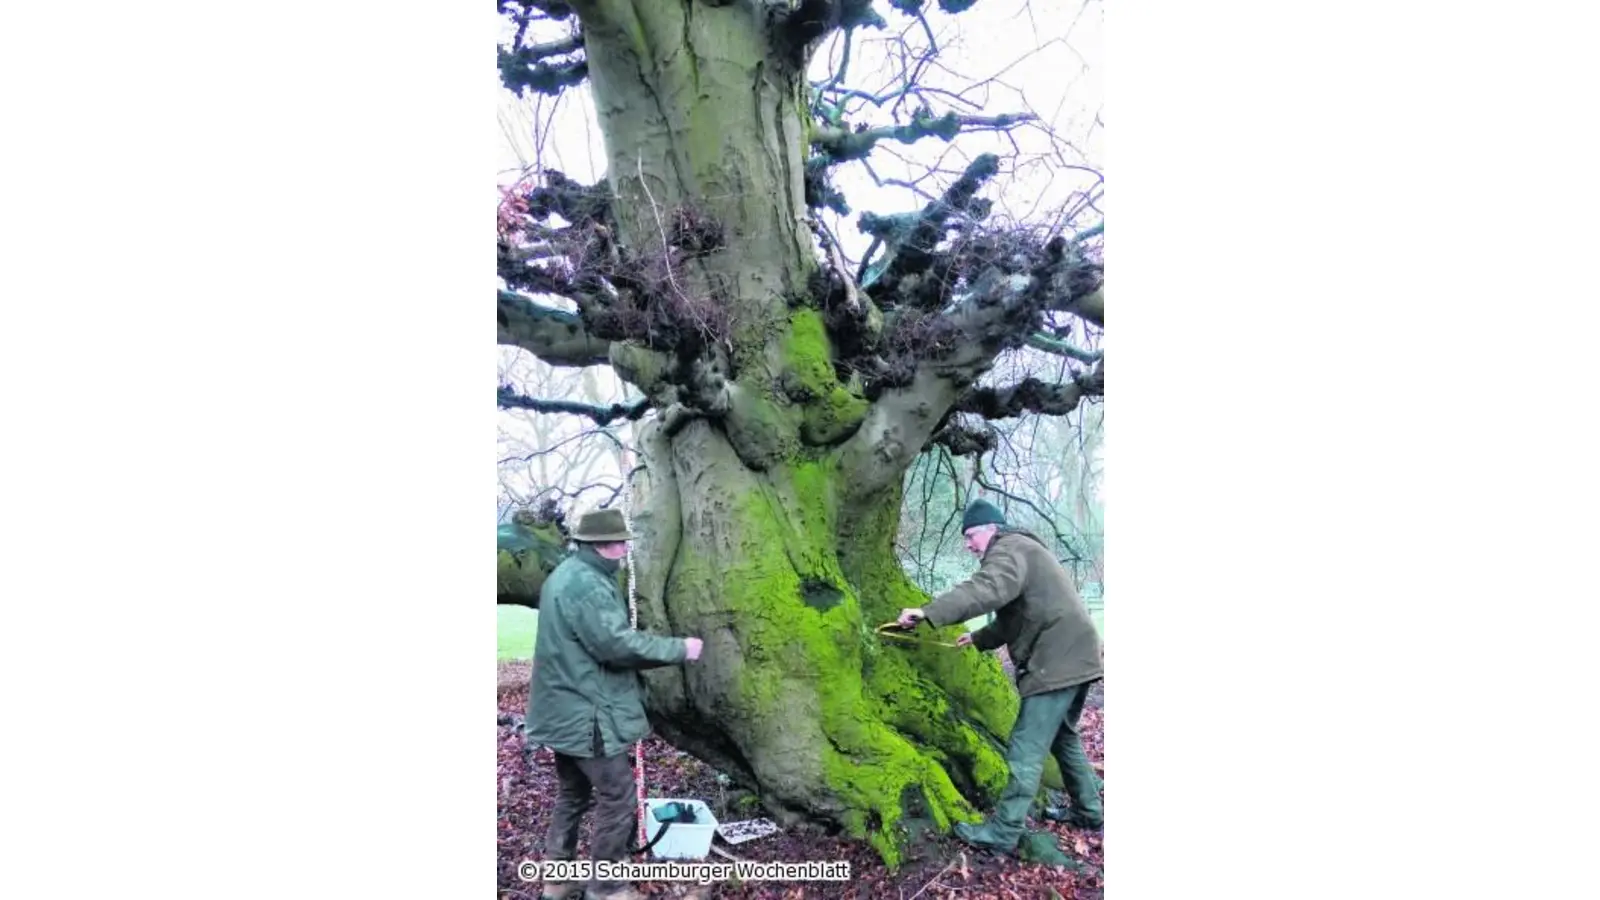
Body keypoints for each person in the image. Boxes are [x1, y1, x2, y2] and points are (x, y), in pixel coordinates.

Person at [897, 498, 1104, 853]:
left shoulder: (1008, 548)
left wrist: (928, 612)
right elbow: (1014, 616)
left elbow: (987, 590)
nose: (968, 544)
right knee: (1063, 738)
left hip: (1056, 659)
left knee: (1026, 746)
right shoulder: (1022, 550)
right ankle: (1090, 810)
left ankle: (1004, 832)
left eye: (971, 535)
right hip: (1078, 654)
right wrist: (978, 638)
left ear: (991, 529)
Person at [524, 507, 704, 900]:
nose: (625, 548)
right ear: (603, 545)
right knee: (618, 795)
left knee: (573, 793)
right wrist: (679, 649)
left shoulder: (567, 575)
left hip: (563, 711)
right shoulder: (587, 586)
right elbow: (616, 645)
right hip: (587, 714)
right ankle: (606, 888)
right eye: (621, 541)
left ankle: (558, 881)